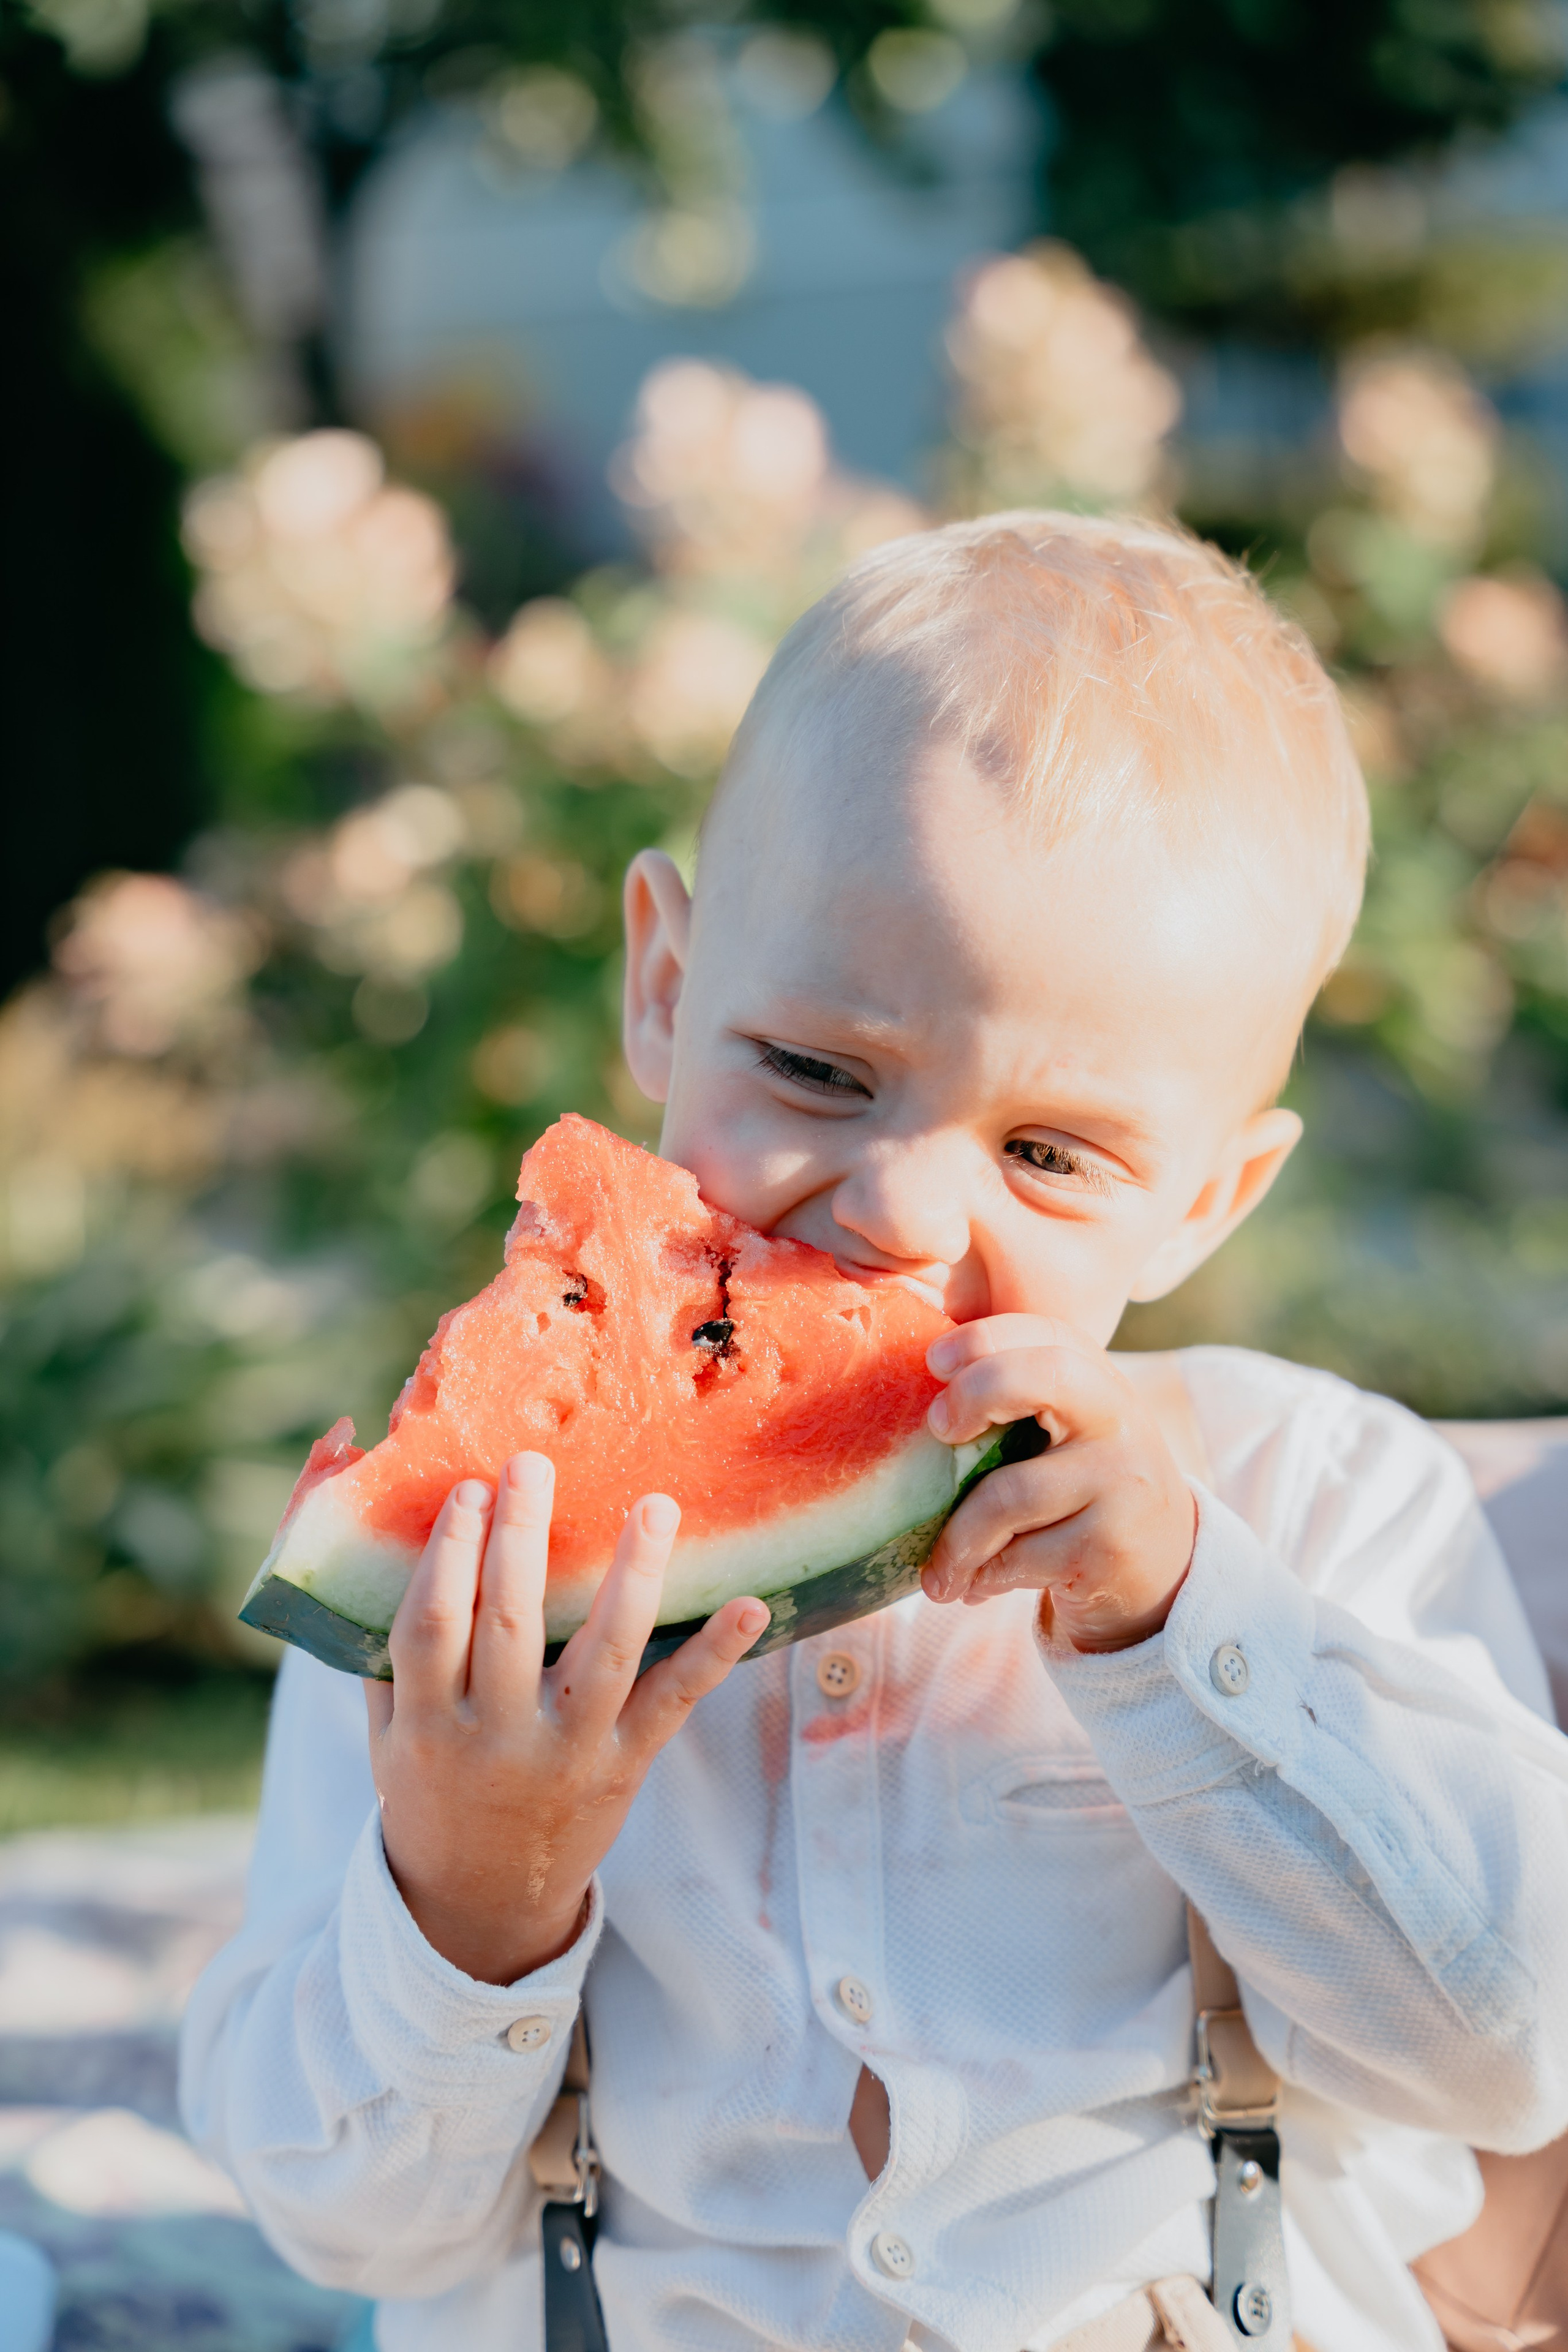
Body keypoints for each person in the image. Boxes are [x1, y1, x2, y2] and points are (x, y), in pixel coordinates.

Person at [180, 514, 1568, 2352]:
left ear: (1215, 1200)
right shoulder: (469, 1591)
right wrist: (468, 1896)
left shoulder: (1328, 1503)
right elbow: (330, 2217)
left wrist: (1188, 1640)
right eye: (821, 1072)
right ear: (667, 988)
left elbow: (1512, 2048)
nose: (903, 1215)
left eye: (1053, 1154)